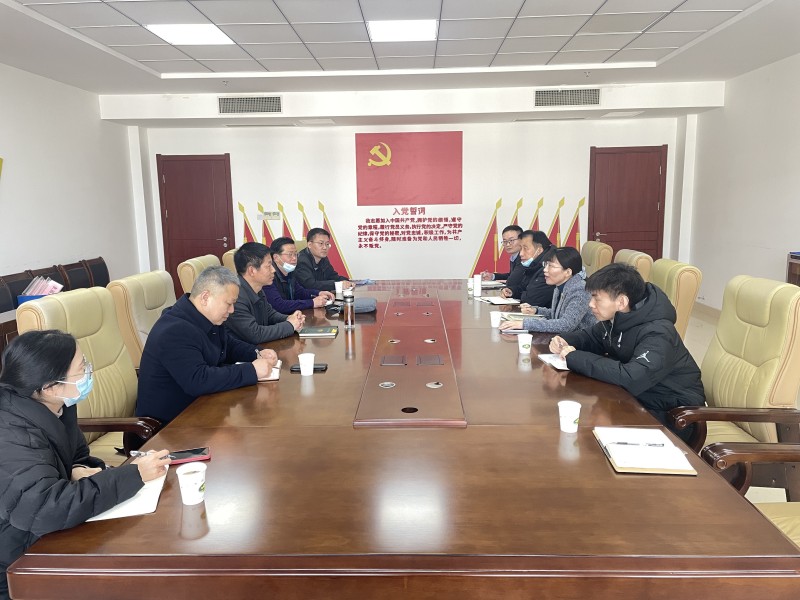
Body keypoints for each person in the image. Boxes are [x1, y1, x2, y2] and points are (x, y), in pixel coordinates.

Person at [0, 330, 170, 599]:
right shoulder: (12, 433)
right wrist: (133, 475)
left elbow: (77, 455)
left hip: (44, 534)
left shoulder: (57, 406)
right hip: (16, 563)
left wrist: (77, 470)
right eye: (82, 368)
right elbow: (45, 508)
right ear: (51, 386)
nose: (89, 372)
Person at [549, 263, 704, 441]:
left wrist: (574, 357)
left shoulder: (658, 333)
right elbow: (591, 337)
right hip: (636, 399)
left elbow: (632, 377)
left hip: (672, 414)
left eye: (597, 299)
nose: (590, 304)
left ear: (621, 302)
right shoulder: (618, 318)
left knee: (587, 438)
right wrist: (564, 340)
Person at [136, 266, 278, 424]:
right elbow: (198, 380)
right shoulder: (174, 331)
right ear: (205, 298)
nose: (232, 310)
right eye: (228, 303)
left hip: (200, 409)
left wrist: (257, 352)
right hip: (168, 427)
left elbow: (228, 345)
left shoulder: (205, 317)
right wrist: (251, 370)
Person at [500, 247, 596, 334]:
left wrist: (524, 324)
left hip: (581, 343)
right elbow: (557, 314)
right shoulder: (560, 285)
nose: (545, 270)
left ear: (568, 272)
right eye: (545, 265)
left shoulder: (580, 290)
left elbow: (566, 325)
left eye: (551, 266)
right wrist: (536, 310)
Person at [228, 242, 305, 342]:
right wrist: (290, 325)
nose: (273, 270)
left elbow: (270, 314)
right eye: (269, 266)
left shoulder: (257, 288)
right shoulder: (235, 297)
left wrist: (289, 318)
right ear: (252, 270)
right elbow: (255, 334)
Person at [264, 237, 336, 314]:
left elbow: (300, 292)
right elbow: (279, 305)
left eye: (295, 254)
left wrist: (319, 293)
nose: (294, 258)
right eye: (290, 254)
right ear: (276, 257)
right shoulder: (268, 276)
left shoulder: (290, 272)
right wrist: (312, 303)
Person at [500, 230, 555, 308]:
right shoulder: (534, 265)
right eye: (520, 249)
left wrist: (524, 294)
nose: (521, 254)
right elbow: (524, 287)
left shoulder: (549, 268)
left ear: (539, 250)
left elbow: (532, 300)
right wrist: (512, 291)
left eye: (525, 248)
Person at [295, 228, 352, 292]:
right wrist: (337, 284)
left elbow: (333, 276)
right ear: (309, 245)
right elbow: (310, 284)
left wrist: (347, 281)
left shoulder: (323, 259)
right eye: (321, 243)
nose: (325, 247)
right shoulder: (301, 261)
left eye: (327, 244)